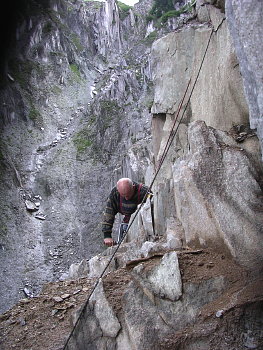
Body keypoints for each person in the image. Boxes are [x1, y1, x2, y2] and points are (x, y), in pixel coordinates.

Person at [102, 178, 151, 247]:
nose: (126, 198)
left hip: (142, 226)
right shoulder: (115, 193)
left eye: (128, 195)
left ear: (133, 187)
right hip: (125, 225)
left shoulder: (145, 192)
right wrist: (107, 235)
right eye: (123, 195)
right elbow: (109, 212)